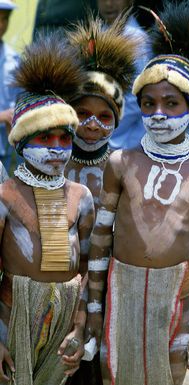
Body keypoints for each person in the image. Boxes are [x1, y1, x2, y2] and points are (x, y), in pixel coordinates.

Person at [86, 2, 189, 384]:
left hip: (176, 300)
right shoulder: (120, 163)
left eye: (172, 104)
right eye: (149, 103)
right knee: (115, 375)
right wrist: (91, 309)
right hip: (121, 296)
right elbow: (100, 241)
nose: (159, 114)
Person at [0, 33, 95, 385]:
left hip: (64, 322)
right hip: (12, 317)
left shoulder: (81, 196)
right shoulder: (6, 196)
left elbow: (86, 266)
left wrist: (80, 326)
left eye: (65, 138)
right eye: (44, 138)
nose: (56, 148)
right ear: (22, 142)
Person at [65, 12, 140, 385]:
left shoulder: (125, 166)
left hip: (107, 288)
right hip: (58, 286)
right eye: (82, 113)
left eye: (103, 116)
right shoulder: (51, 163)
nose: (92, 124)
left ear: (117, 119)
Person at [96, 0, 151, 150]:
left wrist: (103, 127)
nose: (109, 4)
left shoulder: (137, 39)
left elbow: (136, 98)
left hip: (126, 141)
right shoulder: (98, 33)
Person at [0, 0, 20, 174]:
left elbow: (19, 98)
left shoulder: (14, 60)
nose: (1, 24)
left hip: (4, 146)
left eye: (4, 19)